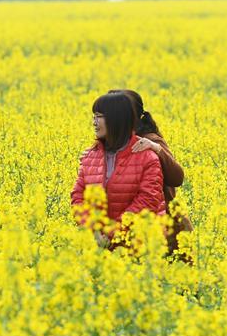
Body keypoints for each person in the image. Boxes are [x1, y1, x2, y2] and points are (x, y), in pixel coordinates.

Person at [71, 91, 166, 249]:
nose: (94, 122)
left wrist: (112, 233)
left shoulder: (147, 157)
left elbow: (147, 201)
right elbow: (78, 196)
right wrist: (93, 231)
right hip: (98, 245)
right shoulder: (90, 156)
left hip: (139, 245)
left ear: (117, 119)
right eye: (93, 117)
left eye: (99, 117)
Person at [113, 89, 192, 259]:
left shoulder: (149, 140)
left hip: (163, 227)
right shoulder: (116, 142)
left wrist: (156, 148)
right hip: (130, 227)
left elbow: (177, 177)